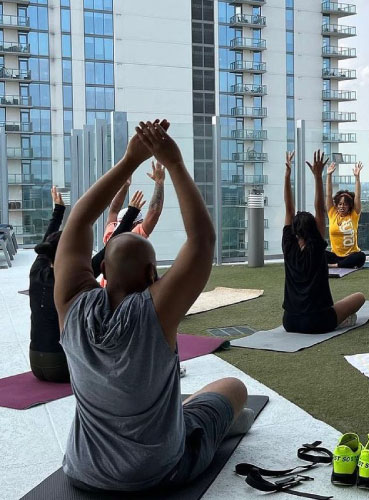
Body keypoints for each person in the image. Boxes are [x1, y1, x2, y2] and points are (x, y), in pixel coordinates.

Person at [54, 119, 251, 492]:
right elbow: (203, 240)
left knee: (185, 404)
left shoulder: (70, 304)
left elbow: (77, 222)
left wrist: (129, 161)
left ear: (104, 271)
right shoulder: (156, 311)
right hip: (158, 473)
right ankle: (201, 425)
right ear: (150, 273)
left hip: (83, 472)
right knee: (233, 387)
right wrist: (174, 164)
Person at [29, 186, 144, 383]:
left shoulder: (36, 270)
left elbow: (46, 240)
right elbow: (110, 247)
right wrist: (131, 213)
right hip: (62, 365)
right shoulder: (74, 277)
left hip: (35, 364)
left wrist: (59, 210)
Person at [282, 150, 365, 334]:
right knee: (359, 297)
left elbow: (289, 207)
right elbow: (320, 209)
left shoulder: (288, 247)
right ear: (314, 229)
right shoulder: (316, 247)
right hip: (319, 321)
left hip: (290, 321)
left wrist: (288, 174)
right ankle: (342, 320)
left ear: (294, 232)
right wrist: (318, 176)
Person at [104, 160, 166, 244]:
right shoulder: (133, 239)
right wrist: (159, 182)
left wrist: (125, 186)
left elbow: (114, 209)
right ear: (135, 224)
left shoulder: (109, 238)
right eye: (141, 221)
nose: (142, 222)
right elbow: (154, 212)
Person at [325, 161, 367, 269]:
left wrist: (357, 178)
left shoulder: (354, 215)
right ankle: (338, 264)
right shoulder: (332, 214)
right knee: (316, 252)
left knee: (361, 256)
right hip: (335, 255)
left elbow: (357, 197)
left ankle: (334, 266)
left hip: (351, 255)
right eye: (339, 204)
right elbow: (328, 195)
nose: (342, 206)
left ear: (349, 206)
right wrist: (329, 175)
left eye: (345, 204)